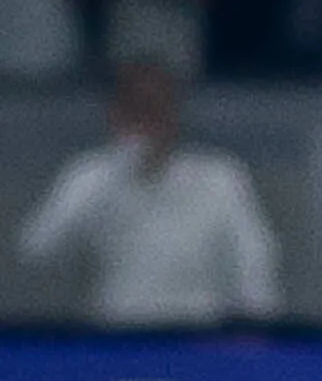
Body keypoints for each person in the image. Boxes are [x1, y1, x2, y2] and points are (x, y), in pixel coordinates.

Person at [18, 63, 284, 328]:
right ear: (116, 114)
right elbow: (38, 250)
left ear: (175, 115)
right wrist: (116, 172)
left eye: (158, 110)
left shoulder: (220, 177)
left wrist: (258, 331)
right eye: (138, 110)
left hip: (198, 339)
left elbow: (254, 260)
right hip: (115, 337)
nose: (149, 123)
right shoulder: (89, 175)